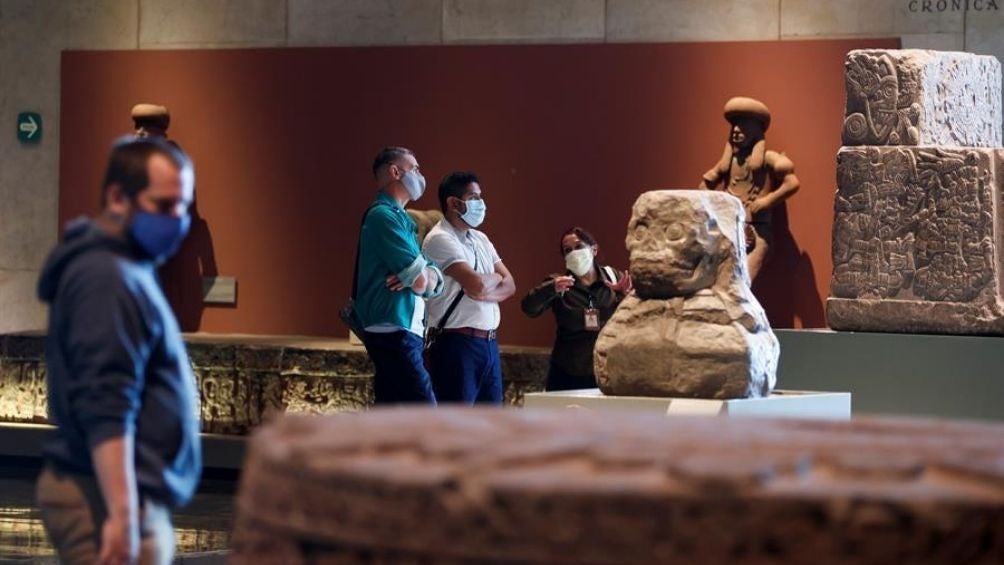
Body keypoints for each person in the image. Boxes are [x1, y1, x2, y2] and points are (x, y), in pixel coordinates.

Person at [35, 136, 201, 565]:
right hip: (104, 499)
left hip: (118, 494)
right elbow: (108, 401)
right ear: (117, 197)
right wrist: (124, 515)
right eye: (164, 205)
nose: (177, 219)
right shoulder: (106, 276)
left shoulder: (125, 266)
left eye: (183, 206)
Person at [355, 146, 444, 404]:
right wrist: (424, 276)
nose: (420, 176)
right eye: (415, 169)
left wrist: (427, 275)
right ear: (395, 172)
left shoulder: (401, 218)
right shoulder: (384, 216)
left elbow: (433, 280)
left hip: (403, 327)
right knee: (425, 412)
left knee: (392, 413)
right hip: (394, 328)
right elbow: (420, 281)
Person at [422, 171, 515, 404]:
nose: (481, 204)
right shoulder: (440, 238)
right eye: (474, 198)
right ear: (454, 203)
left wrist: (486, 284)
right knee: (457, 425)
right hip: (457, 344)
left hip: (489, 344)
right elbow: (475, 284)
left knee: (491, 424)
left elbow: (510, 284)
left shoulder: (481, 239)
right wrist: (492, 280)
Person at [698, 96, 800, 280]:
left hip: (757, 230)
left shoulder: (767, 158)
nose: (736, 131)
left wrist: (767, 201)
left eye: (743, 126)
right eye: (734, 126)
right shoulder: (730, 163)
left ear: (755, 131)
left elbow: (791, 183)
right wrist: (713, 204)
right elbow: (704, 186)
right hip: (727, 227)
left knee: (744, 279)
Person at [522, 227, 632, 391]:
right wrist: (550, 289)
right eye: (568, 250)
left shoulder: (613, 277)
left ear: (593, 249)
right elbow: (529, 308)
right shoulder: (559, 283)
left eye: (579, 247)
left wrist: (626, 296)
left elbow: (629, 319)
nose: (574, 253)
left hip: (606, 370)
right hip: (569, 371)